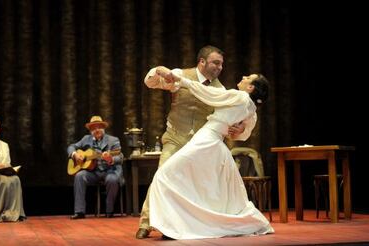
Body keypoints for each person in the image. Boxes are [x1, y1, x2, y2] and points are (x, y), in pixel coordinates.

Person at [148, 68, 274, 239]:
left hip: (207, 140)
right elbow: (246, 131)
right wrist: (241, 128)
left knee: (165, 174)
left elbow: (208, 94)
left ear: (251, 88)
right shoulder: (251, 108)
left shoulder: (241, 96)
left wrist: (182, 80)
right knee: (206, 188)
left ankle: (178, 223)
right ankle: (181, 221)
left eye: (248, 78)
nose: (243, 77)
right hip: (215, 143)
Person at [136, 45, 247, 239]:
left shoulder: (219, 89)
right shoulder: (181, 76)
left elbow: (230, 116)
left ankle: (177, 226)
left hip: (198, 146)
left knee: (190, 186)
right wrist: (158, 70)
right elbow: (151, 82)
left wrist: (240, 128)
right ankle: (146, 222)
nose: (220, 67)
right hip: (176, 138)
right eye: (216, 63)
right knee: (162, 175)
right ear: (202, 62)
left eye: (221, 64)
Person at [68, 115, 124, 219]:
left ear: (103, 128)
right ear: (90, 130)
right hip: (93, 172)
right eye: (93, 128)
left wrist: (110, 159)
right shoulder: (86, 139)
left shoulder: (113, 140)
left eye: (99, 127)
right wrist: (74, 154)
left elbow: (119, 157)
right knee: (79, 176)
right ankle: (79, 212)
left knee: (112, 179)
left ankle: (109, 211)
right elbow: (71, 147)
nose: (96, 130)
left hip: (109, 170)